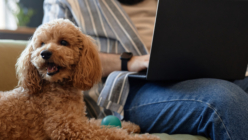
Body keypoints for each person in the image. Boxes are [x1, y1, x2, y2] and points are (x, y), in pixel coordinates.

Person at [42, 0, 248, 140]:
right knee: (222, 99)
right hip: (125, 88)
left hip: (188, 75)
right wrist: (129, 62)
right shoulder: (68, 3)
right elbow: (47, 52)